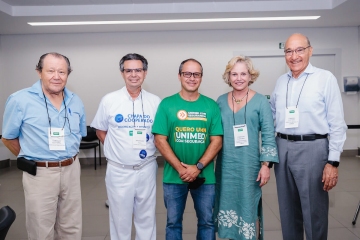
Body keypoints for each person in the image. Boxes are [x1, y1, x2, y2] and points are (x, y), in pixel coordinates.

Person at [270, 33, 347, 240]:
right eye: (288, 51)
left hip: (313, 148)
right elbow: (271, 116)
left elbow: (338, 124)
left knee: (314, 212)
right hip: (282, 147)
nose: (294, 56)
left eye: (299, 50)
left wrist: (333, 161)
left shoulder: (325, 78)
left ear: (310, 51)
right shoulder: (280, 82)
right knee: (287, 211)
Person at [1, 52, 86, 240]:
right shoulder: (19, 100)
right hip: (40, 173)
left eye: (62, 72)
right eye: (51, 71)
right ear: (39, 72)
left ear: (68, 74)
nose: (57, 76)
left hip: (72, 168)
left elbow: (79, 134)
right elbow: (8, 138)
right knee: (41, 228)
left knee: (71, 226)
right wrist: (32, 157)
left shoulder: (75, 100)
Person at [91, 53, 161, 240]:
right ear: (122, 73)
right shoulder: (109, 100)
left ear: (145, 73)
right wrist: (118, 150)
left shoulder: (155, 102)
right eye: (128, 70)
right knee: (120, 218)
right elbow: (101, 131)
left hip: (146, 168)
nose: (133, 75)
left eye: (138, 70)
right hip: (119, 170)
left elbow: (160, 135)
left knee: (146, 217)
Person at [152, 58, 223, 240]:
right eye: (187, 74)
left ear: (201, 77)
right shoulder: (167, 105)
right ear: (179, 76)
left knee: (207, 222)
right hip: (174, 177)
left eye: (196, 74)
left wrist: (197, 167)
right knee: (173, 223)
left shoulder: (211, 106)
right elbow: (160, 140)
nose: (192, 78)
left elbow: (217, 141)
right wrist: (181, 168)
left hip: (205, 177)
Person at [213, 56, 279, 240]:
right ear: (228, 76)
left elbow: (268, 134)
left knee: (249, 206)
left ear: (251, 76)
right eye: (234, 74)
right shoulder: (219, 101)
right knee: (226, 202)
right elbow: (214, 134)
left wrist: (266, 165)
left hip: (249, 166)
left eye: (243, 73)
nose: (239, 78)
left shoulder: (260, 102)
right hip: (225, 166)